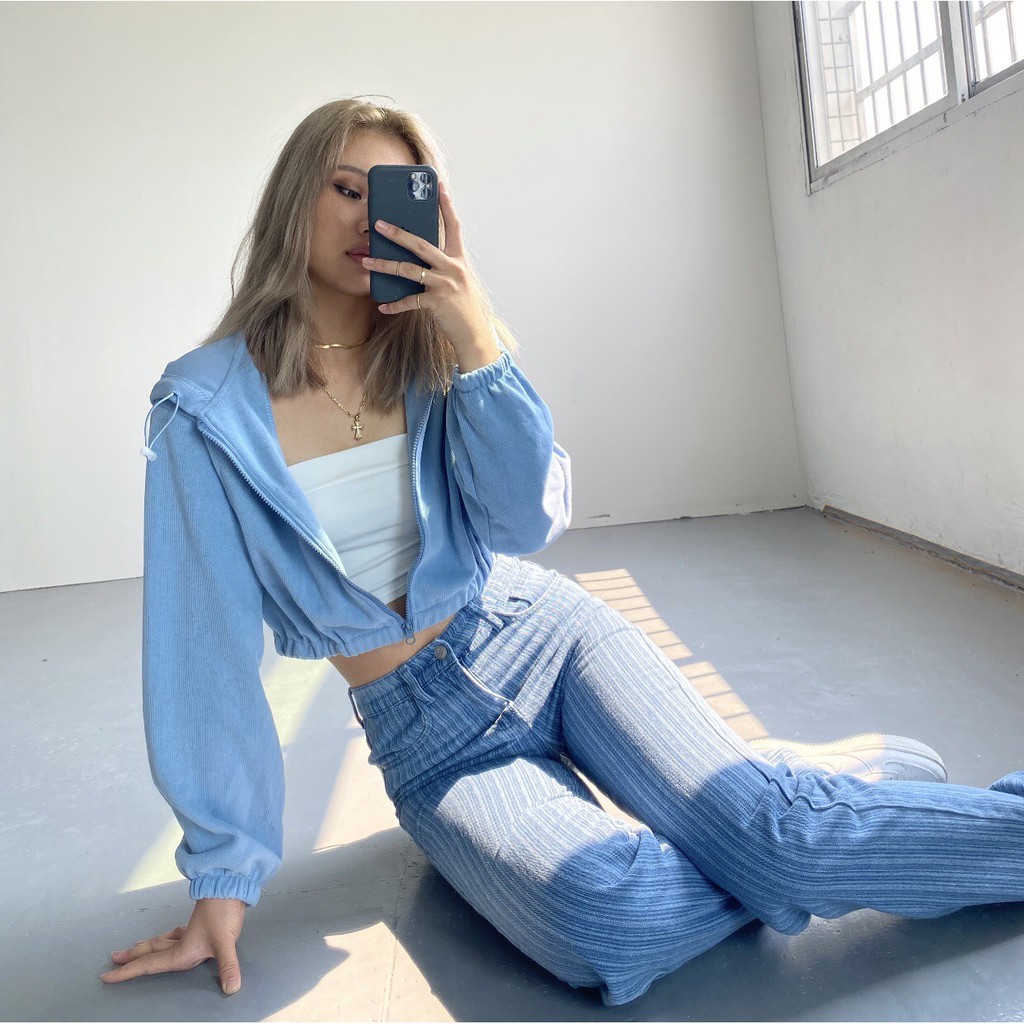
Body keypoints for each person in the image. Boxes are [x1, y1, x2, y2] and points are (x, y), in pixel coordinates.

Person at [102, 98, 1024, 1006]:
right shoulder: (202, 411)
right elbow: (201, 649)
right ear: (294, 195)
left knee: (777, 838)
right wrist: (223, 879)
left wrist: (476, 338)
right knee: (613, 921)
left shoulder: (437, 345)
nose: (367, 220)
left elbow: (524, 522)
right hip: (429, 746)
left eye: (391, 196)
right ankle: (787, 811)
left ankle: (776, 822)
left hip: (546, 637)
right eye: (346, 189)